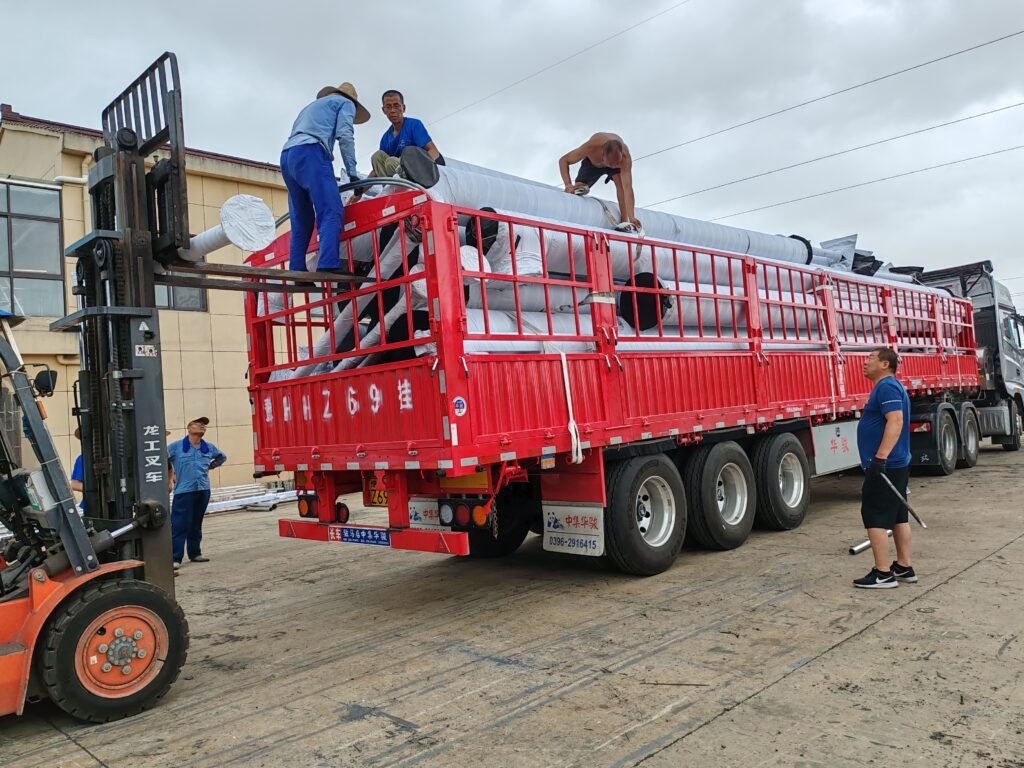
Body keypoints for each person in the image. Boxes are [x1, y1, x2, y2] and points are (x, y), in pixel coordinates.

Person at [281, 82, 371, 274]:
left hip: (288, 155)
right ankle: (328, 263)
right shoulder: (346, 104)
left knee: (301, 217)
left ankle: (297, 269)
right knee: (331, 210)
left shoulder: (312, 107)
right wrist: (353, 173)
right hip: (312, 152)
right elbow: (345, 136)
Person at [854, 347, 915, 589]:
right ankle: (903, 566)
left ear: (885, 364)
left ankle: (883, 574)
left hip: (886, 465)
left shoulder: (887, 386)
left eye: (870, 358)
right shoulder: (888, 386)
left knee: (875, 515)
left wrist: (880, 457)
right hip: (896, 463)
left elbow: (896, 420)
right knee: (899, 516)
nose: (865, 362)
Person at [167, 417, 227, 571]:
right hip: (184, 491)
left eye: (204, 425)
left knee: (196, 523)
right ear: (189, 428)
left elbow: (222, 457)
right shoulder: (176, 447)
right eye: (198, 424)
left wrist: (210, 467)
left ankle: (195, 553)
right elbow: (163, 460)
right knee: (180, 525)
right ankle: (175, 558)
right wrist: (170, 477)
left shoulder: (208, 448)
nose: (202, 426)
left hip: (203, 490)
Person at [558, 133, 640, 231]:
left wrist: (632, 217)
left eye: (617, 163)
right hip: (593, 164)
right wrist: (568, 184)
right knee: (579, 185)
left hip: (615, 168)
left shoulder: (625, 158)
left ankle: (624, 220)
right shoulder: (591, 147)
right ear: (603, 155)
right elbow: (563, 160)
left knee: (621, 185)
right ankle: (581, 186)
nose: (613, 166)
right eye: (610, 164)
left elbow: (628, 188)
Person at [371, 90, 444, 178]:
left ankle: (404, 184)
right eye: (388, 107)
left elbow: (434, 151)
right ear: (383, 110)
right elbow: (377, 170)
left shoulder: (414, 125)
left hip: (418, 172)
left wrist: (418, 167)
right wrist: (358, 190)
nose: (393, 110)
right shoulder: (385, 138)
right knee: (377, 156)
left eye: (396, 105)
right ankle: (391, 188)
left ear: (403, 108)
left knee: (391, 162)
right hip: (397, 175)